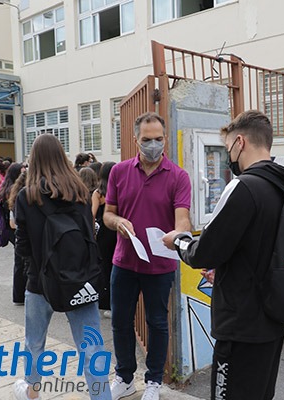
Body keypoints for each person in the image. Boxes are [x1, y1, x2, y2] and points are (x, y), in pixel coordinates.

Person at [162, 110, 284, 400]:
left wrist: (179, 241)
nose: (229, 157)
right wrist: (227, 272)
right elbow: (259, 249)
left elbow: (204, 253)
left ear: (240, 142)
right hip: (273, 317)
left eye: (228, 149)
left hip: (241, 324)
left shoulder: (243, 186)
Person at [13, 134, 111, 400]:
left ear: (34, 160)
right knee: (91, 348)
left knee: (34, 343)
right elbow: (90, 235)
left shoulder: (27, 196)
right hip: (79, 280)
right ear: (61, 157)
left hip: (40, 281)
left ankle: (32, 391)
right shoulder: (80, 192)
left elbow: (22, 246)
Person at [103, 112, 191, 400]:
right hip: (124, 261)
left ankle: (153, 380)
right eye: (147, 139)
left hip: (160, 264)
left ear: (165, 139)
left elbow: (183, 219)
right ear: (135, 140)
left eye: (158, 139)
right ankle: (125, 377)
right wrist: (118, 222)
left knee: (157, 323)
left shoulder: (178, 176)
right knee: (120, 322)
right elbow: (108, 214)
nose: (153, 145)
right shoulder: (119, 172)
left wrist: (178, 234)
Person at [91, 162, 116, 317]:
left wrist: (92, 232)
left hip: (103, 233)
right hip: (116, 229)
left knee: (104, 266)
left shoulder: (98, 193)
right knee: (116, 265)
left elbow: (92, 214)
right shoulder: (118, 189)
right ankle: (115, 300)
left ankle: (105, 301)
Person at [0, 163, 27, 305]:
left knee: (19, 263)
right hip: (15, 228)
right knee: (22, 262)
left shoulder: (7, 188)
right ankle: (20, 294)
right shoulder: (16, 191)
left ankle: (19, 295)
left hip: (11, 228)